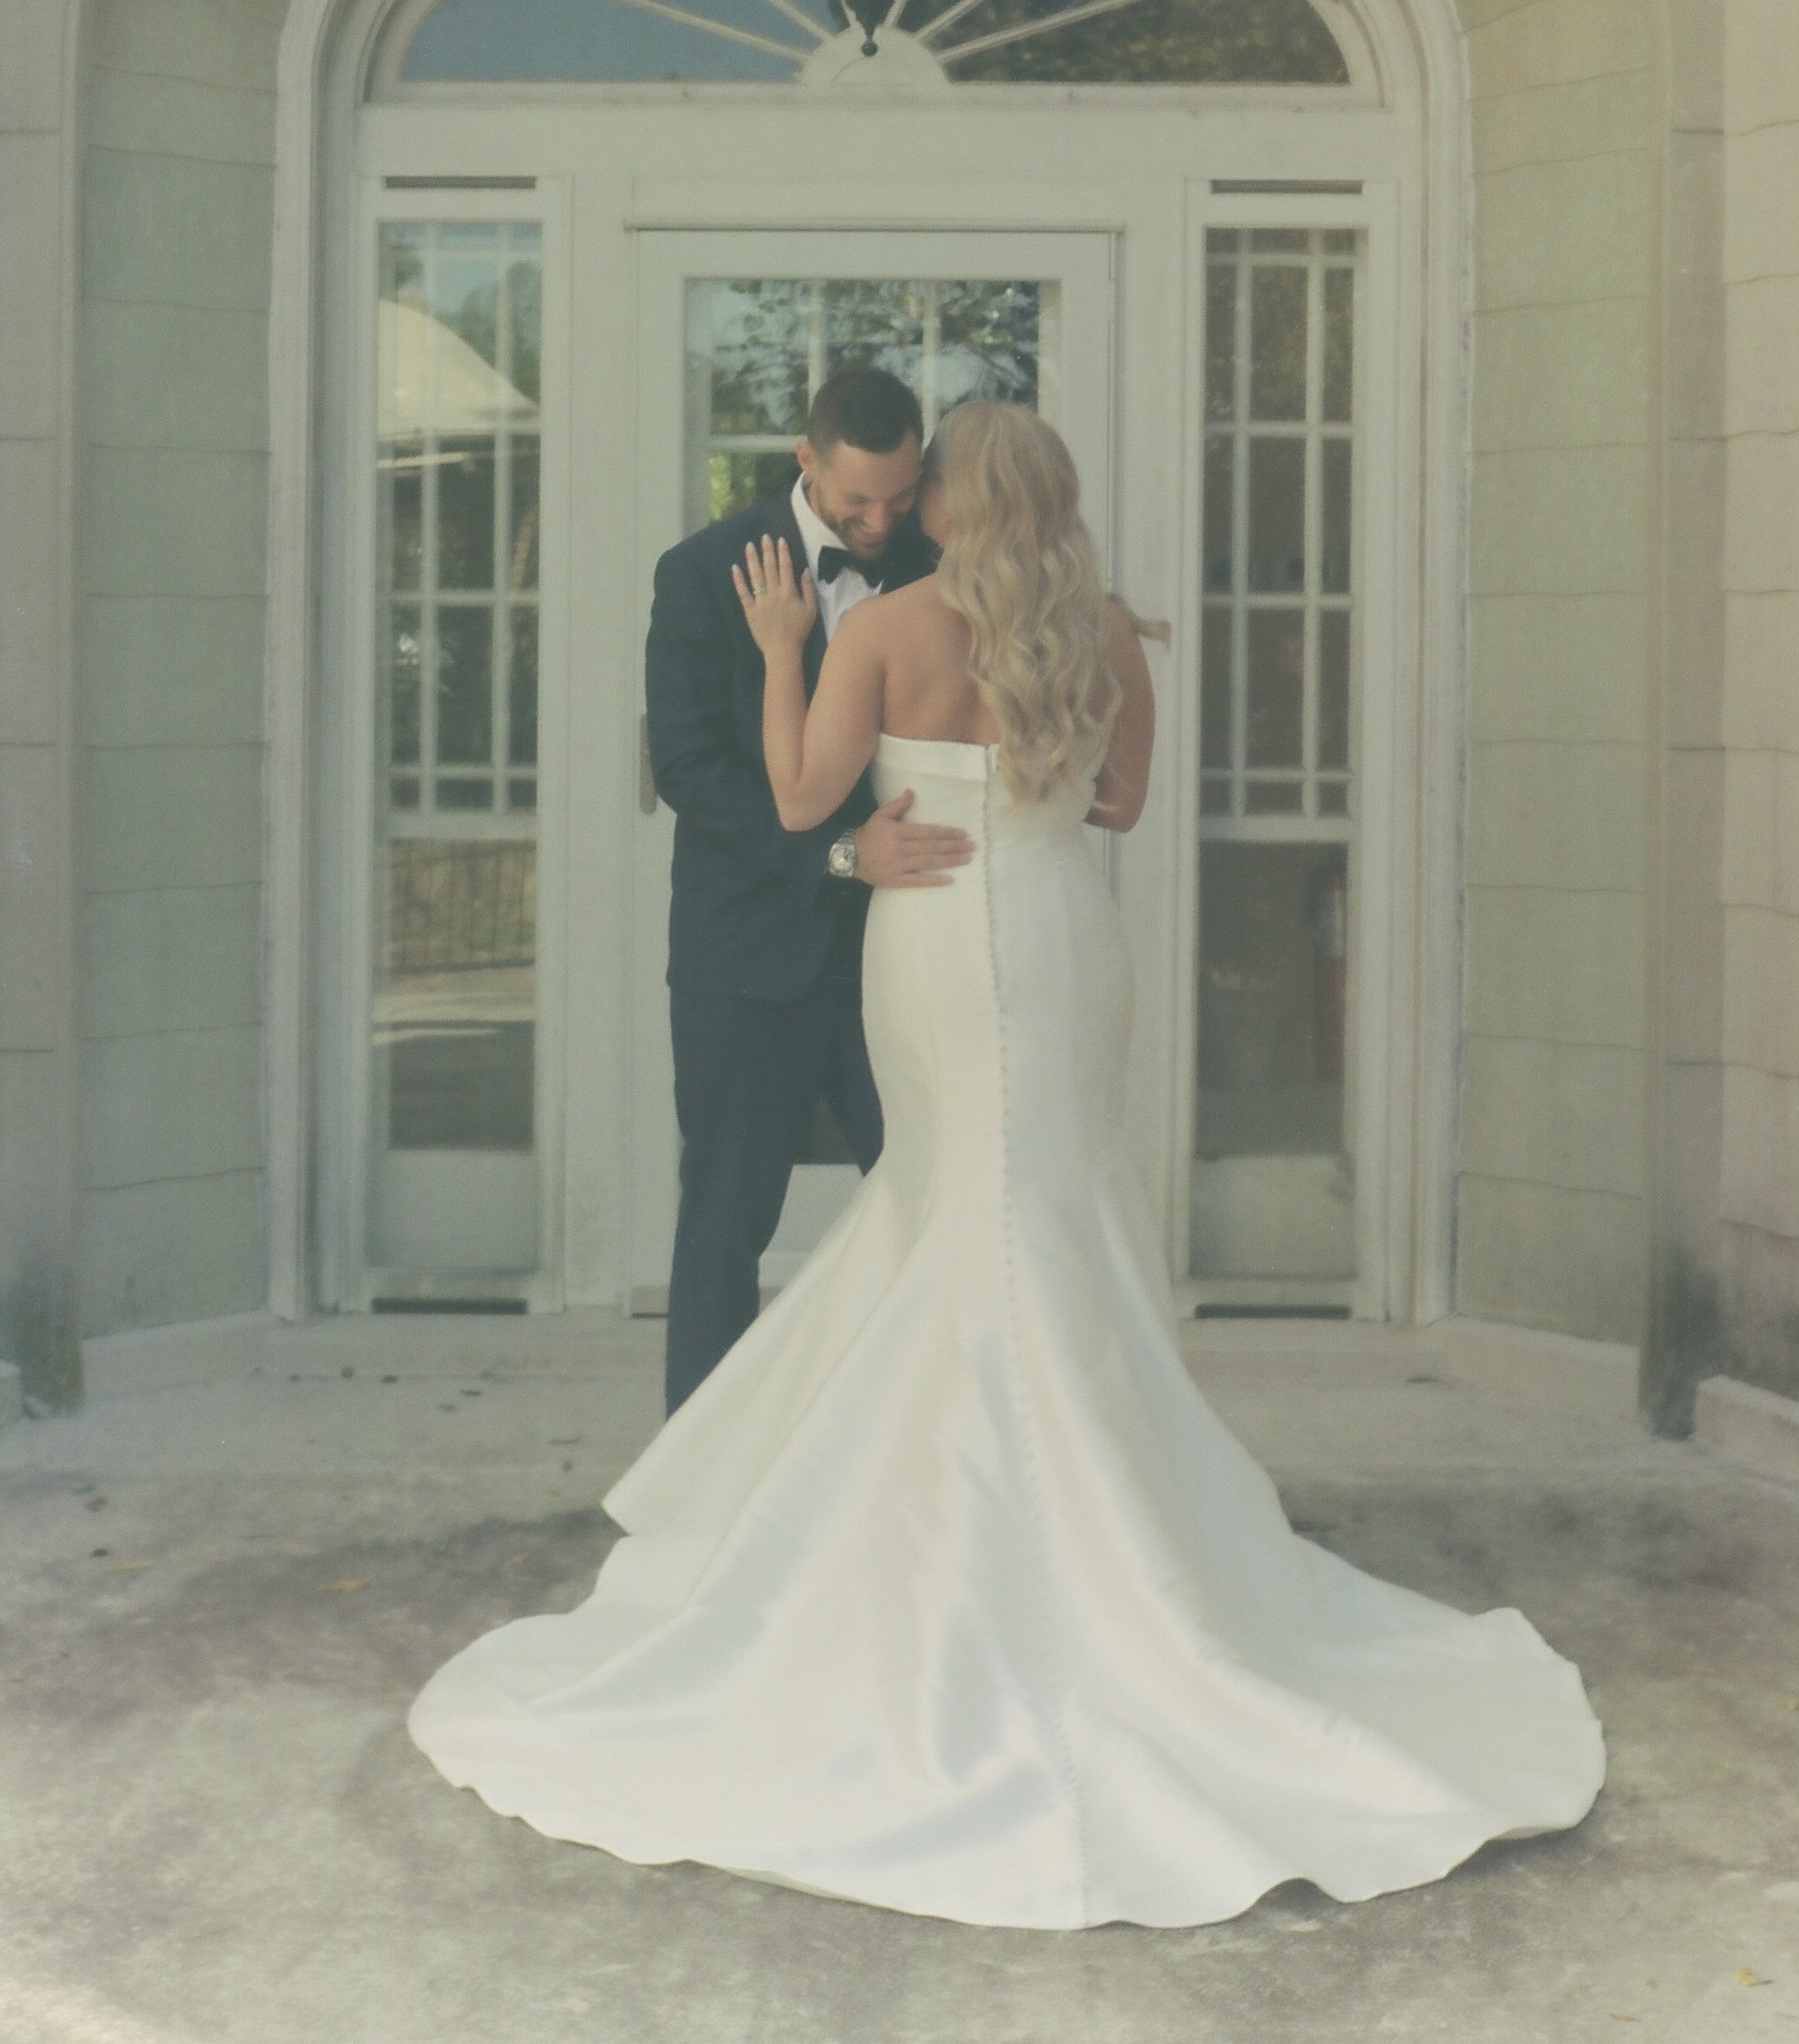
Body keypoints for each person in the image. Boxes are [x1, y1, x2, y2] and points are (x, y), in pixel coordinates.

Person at [409, 400, 1604, 1930]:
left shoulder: (887, 630)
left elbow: (792, 796)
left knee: (968, 1214)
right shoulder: (1104, 628)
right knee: (1024, 1216)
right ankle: (1108, 1549)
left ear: (951, 505)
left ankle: (945, 1563)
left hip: (936, 954)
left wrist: (783, 652)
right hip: (1058, 937)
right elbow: (1119, 805)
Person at [642, 363, 972, 1414]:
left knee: (935, 1203)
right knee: (724, 1223)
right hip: (748, 962)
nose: (879, 521)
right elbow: (690, 769)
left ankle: (923, 1462)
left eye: (900, 494)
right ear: (804, 461)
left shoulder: (945, 564)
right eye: (855, 500)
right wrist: (838, 855)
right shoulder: (703, 572)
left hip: (910, 953)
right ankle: (695, 1492)